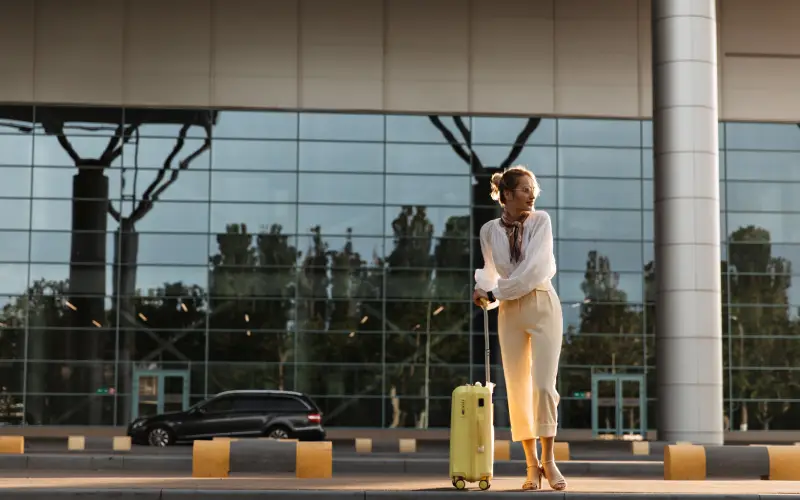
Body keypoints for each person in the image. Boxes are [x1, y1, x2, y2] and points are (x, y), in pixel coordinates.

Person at [472, 165, 566, 491]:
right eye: (525, 189)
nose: (532, 194)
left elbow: (532, 271)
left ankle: (550, 460)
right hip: (509, 312)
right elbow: (489, 272)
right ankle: (531, 466)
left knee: (543, 386)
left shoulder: (542, 221)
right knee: (516, 388)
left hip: (541, 304)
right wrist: (483, 290)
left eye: (533, 189)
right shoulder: (488, 231)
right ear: (507, 194)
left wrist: (495, 292)